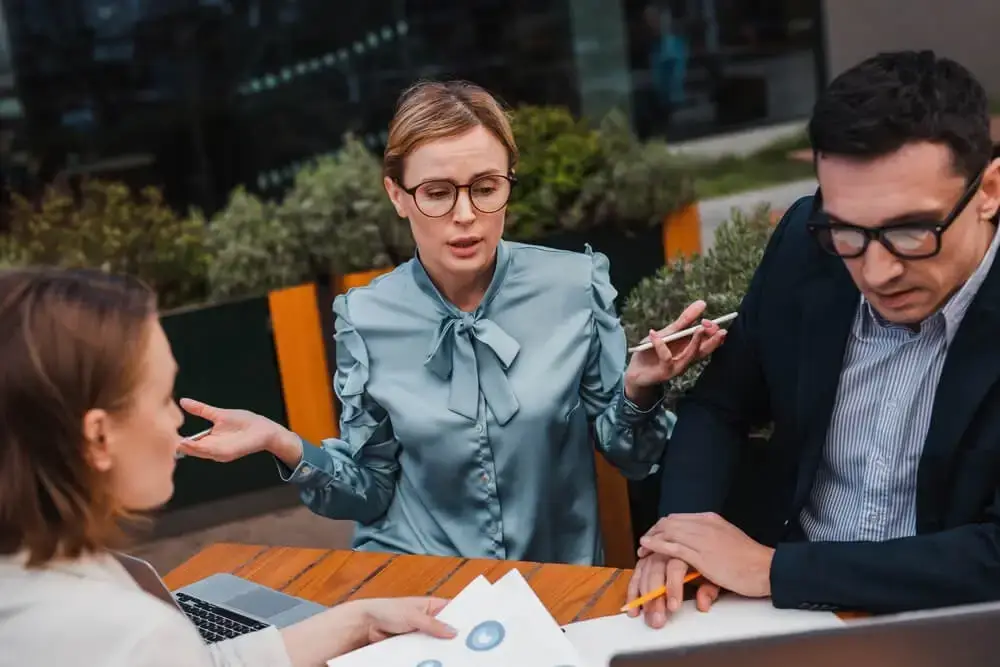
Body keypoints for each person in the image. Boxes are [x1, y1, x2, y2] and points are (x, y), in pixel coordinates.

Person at [178, 80, 726, 565]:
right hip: (417, 586)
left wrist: (639, 389)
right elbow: (368, 490)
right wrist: (282, 442)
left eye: (485, 188)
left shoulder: (574, 286)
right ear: (398, 195)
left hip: (553, 583)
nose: (465, 216)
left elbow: (632, 458)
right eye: (437, 193)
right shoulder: (365, 317)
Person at [626, 49, 1000, 625]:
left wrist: (774, 570)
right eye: (847, 232)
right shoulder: (806, 243)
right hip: (778, 613)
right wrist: (685, 538)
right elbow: (722, 404)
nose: (876, 272)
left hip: (950, 623)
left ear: (990, 191)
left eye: (910, 231)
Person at [0, 267, 457, 667]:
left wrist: (359, 619)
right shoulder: (135, 636)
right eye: (163, 399)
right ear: (99, 437)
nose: (177, 419)